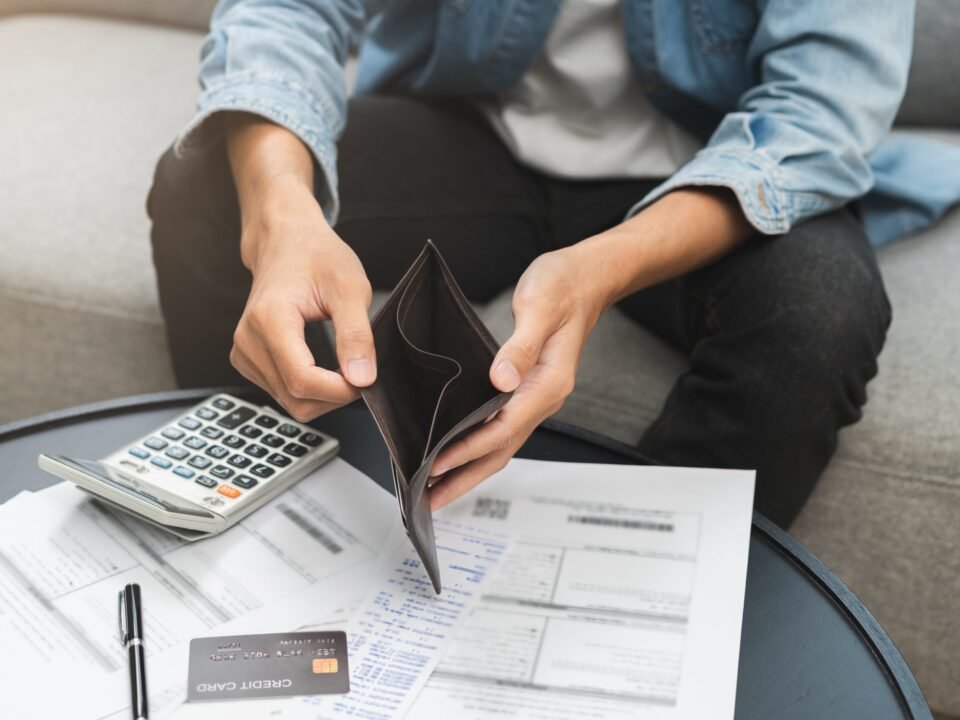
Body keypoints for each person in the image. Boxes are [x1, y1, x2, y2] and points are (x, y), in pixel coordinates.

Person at [149, 0, 922, 528]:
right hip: (477, 136)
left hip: (706, 171)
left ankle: (639, 606)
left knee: (815, 318)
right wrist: (284, 215)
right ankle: (286, 526)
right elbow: (285, 14)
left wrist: (601, 270)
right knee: (212, 185)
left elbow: (819, 114)